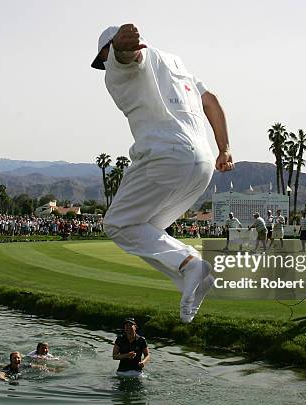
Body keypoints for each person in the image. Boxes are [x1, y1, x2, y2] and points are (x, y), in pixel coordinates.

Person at [93, 24, 233, 323]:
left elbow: (127, 57)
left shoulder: (116, 67)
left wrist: (121, 47)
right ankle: (191, 274)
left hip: (165, 156)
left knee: (118, 225)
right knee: (148, 229)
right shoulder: (177, 64)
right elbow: (211, 101)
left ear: (106, 50)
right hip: (203, 162)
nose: (103, 63)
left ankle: (190, 264)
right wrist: (225, 149)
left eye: (102, 56)